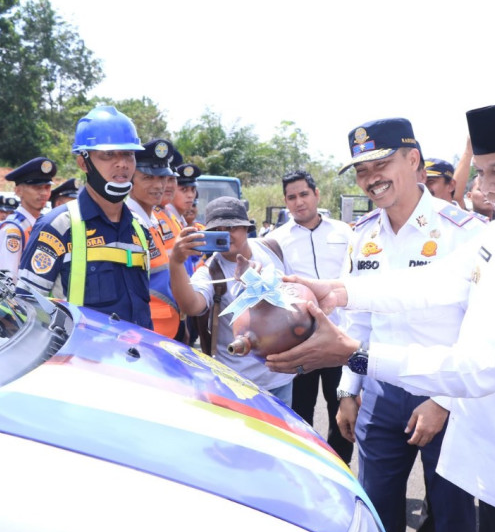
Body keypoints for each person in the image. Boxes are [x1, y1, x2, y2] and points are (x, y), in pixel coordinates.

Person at [268, 94, 495, 532]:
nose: (485, 189)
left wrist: (355, 355)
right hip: (493, 458)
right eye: (482, 172)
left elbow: (483, 367)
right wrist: (341, 291)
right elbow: (443, 280)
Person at [333, 118, 481, 532]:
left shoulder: (464, 232)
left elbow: (479, 325)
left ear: (413, 159)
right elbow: (357, 318)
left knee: (453, 526)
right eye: (362, 171)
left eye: (381, 164)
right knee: (375, 522)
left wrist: (443, 401)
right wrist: (348, 390)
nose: (371, 179)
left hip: (445, 391)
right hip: (379, 395)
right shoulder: (362, 237)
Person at [17, 106, 154, 329]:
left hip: (135, 360)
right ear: (84, 162)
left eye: (128, 154)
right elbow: (26, 310)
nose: (122, 163)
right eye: (108, 155)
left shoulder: (139, 228)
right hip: (81, 361)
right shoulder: (58, 227)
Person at [266, 170, 354, 465]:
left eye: (304, 194)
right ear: (285, 203)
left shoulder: (345, 233)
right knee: (299, 412)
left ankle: (339, 468)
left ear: (316, 195)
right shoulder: (274, 240)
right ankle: (305, 468)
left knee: (342, 408)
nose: (299, 202)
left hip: (340, 337)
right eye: (291, 197)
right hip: (298, 340)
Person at [169, 196, 295, 404]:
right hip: (236, 382)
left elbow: (293, 292)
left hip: (280, 377)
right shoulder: (210, 270)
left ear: (246, 229)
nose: (224, 235)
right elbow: (191, 306)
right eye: (216, 230)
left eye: (231, 227)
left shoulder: (272, 249)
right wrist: (176, 262)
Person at [125, 139, 182, 339]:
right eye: (148, 177)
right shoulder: (127, 223)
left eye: (163, 177)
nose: (159, 185)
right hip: (144, 333)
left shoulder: (154, 219)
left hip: (165, 331)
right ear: (130, 180)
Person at [0, 156, 56, 279]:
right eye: (37, 188)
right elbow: (9, 278)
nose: (44, 193)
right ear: (18, 191)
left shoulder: (44, 223)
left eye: (47, 187)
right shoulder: (14, 229)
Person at [170, 163, 201, 229]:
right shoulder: (164, 219)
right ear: (171, 190)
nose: (190, 195)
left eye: (193, 190)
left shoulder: (179, 220)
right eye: (184, 190)